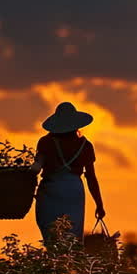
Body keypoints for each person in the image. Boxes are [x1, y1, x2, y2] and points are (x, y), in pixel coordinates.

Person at [32, 102, 105, 248]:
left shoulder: (45, 142)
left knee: (51, 236)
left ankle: (54, 266)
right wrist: (99, 204)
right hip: (74, 190)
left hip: (50, 189)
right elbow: (91, 177)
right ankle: (70, 267)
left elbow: (35, 168)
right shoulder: (86, 146)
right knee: (73, 237)